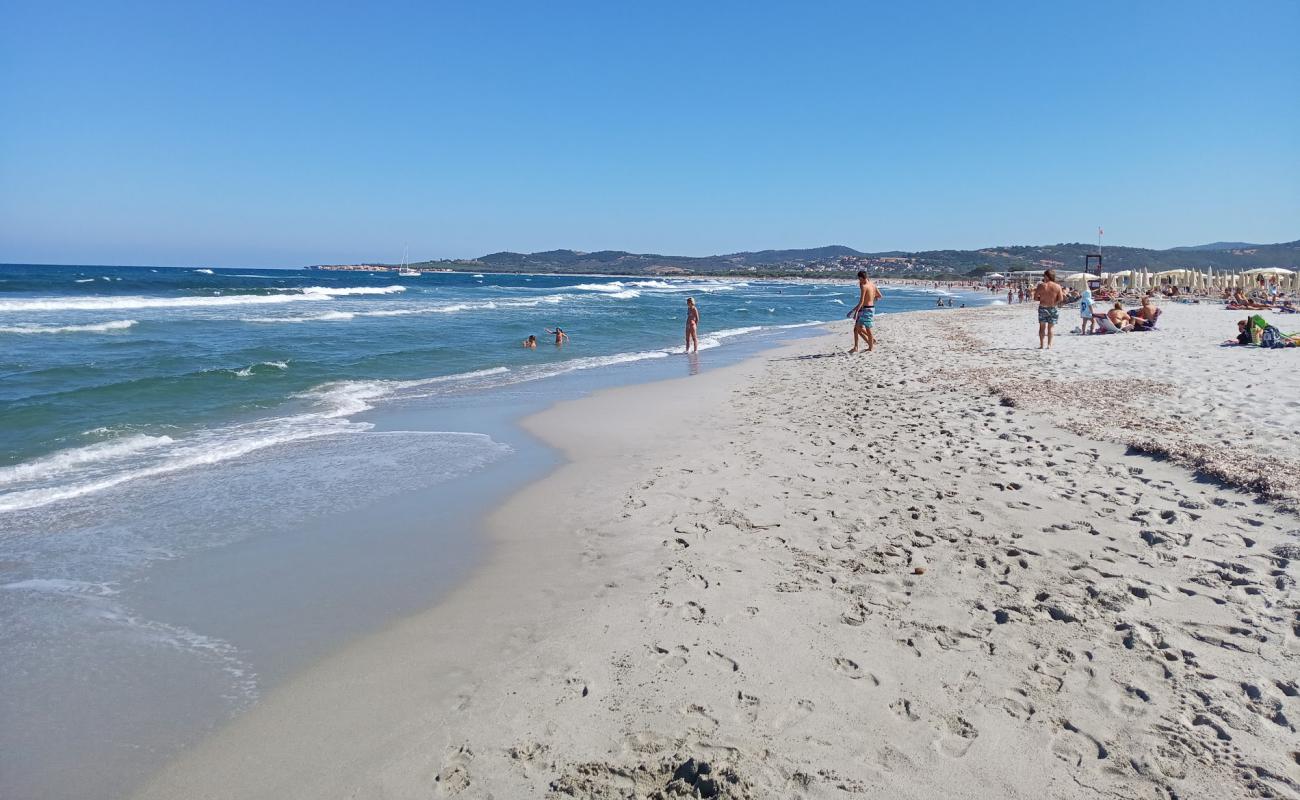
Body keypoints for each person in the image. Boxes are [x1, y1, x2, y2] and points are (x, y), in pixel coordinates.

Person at [846, 270, 883, 353]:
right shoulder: (872, 284)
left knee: (867, 329)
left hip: (866, 309)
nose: (859, 281)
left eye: (859, 279)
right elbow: (880, 296)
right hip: (869, 308)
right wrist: (872, 299)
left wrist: (855, 312)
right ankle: (861, 345)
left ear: (861, 278)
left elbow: (861, 301)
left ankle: (871, 346)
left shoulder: (864, 286)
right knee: (857, 329)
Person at [1032, 269, 1066, 349]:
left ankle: (1041, 345)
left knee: (1042, 327)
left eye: (1044, 275)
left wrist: (1042, 299)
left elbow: (1035, 298)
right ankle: (1049, 345)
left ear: (1047, 276)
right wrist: (1054, 303)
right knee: (1050, 328)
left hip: (1043, 307)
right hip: (1053, 308)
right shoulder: (1057, 286)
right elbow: (1061, 299)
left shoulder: (1041, 286)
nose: (1043, 277)